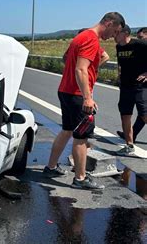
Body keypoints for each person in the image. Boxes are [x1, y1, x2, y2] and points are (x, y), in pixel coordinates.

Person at [42, 12, 125, 190]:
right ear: (109, 23)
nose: (112, 37)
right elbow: (81, 69)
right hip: (77, 95)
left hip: (66, 90)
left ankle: (50, 167)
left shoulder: (82, 36)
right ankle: (80, 179)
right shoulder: (91, 39)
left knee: (66, 130)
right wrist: (87, 97)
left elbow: (73, 63)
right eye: (115, 31)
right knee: (82, 136)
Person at [114, 25, 147, 155]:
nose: (113, 35)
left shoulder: (140, 44)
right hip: (125, 87)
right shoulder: (119, 47)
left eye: (117, 33)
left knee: (144, 114)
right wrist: (119, 76)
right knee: (125, 115)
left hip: (140, 85)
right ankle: (129, 146)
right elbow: (120, 63)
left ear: (126, 33)